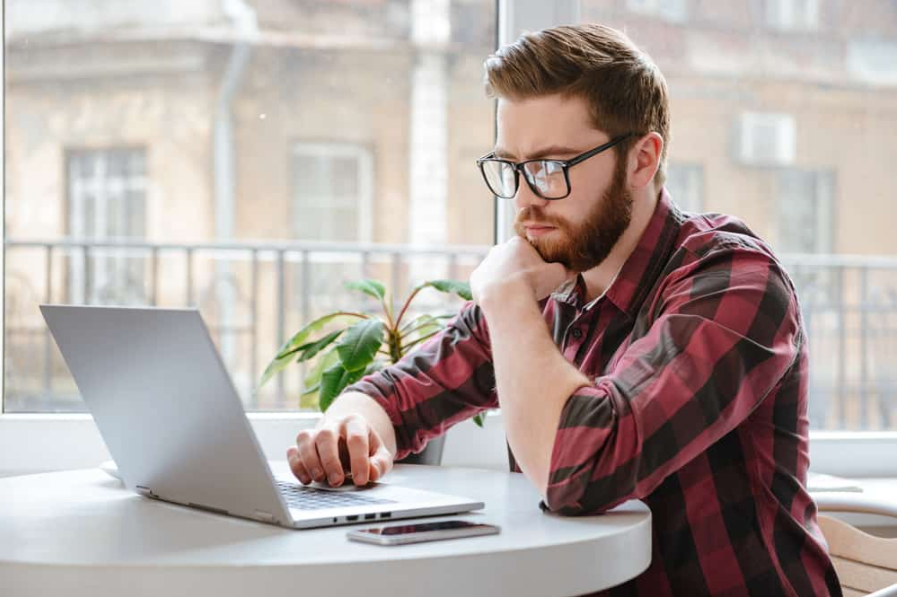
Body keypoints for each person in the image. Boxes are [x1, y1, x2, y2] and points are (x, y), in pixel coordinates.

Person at [286, 23, 841, 596]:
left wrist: (502, 297)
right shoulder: (552, 275)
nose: (526, 198)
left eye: (552, 168)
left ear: (642, 160)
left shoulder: (735, 283)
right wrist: (346, 434)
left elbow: (580, 470)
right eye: (513, 167)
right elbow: (393, 396)